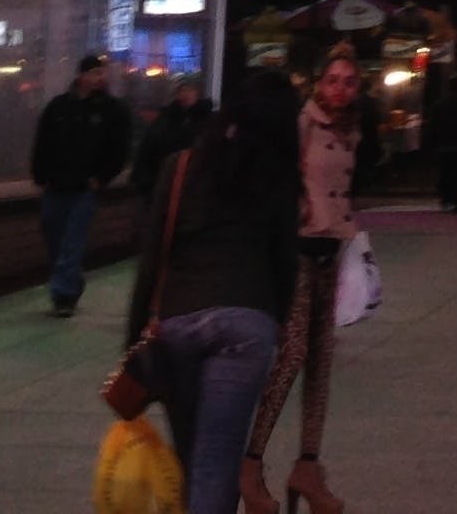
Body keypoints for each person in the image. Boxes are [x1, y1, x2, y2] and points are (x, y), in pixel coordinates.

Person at [130, 69, 302, 514]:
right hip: (246, 322)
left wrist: (133, 342)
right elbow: (285, 263)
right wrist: (280, 320)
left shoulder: (180, 167)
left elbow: (152, 258)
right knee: (216, 460)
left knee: (190, 457)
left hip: (178, 321)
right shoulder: (278, 176)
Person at [243, 45, 364, 513]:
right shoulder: (301, 125)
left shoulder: (352, 130)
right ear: (318, 84)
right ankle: (250, 462)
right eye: (332, 80)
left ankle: (308, 467)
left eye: (349, 82)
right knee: (291, 355)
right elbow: (273, 180)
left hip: (331, 252)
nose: (340, 89)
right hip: (298, 252)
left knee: (321, 362)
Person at [31, 53, 136, 314]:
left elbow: (118, 149)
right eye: (95, 73)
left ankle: (63, 295)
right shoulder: (59, 107)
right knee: (53, 233)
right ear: (82, 75)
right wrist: (40, 175)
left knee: (72, 240)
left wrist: (101, 178)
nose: (100, 78)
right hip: (56, 183)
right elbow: (43, 141)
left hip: (84, 188)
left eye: (102, 73)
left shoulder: (111, 110)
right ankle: (70, 280)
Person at [136, 75, 210, 197]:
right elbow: (149, 146)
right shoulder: (166, 118)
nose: (186, 94)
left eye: (190, 90)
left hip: (192, 183)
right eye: (183, 90)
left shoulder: (206, 119)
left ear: (198, 93)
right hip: (164, 180)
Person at [425, 74, 457, 212]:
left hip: (445, 145)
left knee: (445, 174)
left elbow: (433, 126)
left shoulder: (439, 105)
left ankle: (446, 200)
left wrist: (433, 143)